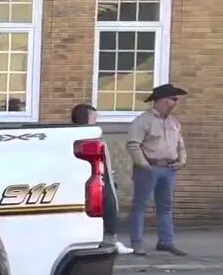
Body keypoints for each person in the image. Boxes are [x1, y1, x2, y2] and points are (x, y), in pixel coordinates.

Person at [126, 83, 188, 256]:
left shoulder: (174, 122)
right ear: (161, 100)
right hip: (148, 168)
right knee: (140, 205)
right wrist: (144, 165)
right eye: (172, 99)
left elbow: (180, 144)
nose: (175, 103)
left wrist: (182, 160)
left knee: (165, 206)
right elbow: (133, 145)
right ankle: (136, 242)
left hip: (169, 168)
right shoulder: (143, 121)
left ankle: (166, 241)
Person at [70, 103, 132, 255]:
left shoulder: (78, 137)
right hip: (95, 180)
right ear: (87, 119)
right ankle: (110, 241)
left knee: (104, 209)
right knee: (108, 208)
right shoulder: (86, 138)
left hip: (97, 178)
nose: (96, 121)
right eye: (94, 117)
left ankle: (105, 240)